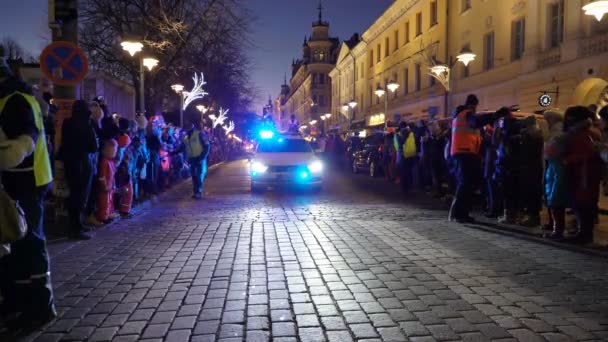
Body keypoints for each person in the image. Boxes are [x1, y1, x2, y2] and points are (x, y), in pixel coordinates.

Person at [0, 55, 56, 329]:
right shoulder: (13, 98)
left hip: (26, 181)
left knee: (30, 243)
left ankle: (40, 306)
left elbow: (26, 140)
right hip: (21, 180)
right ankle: (20, 302)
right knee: (18, 245)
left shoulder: (15, 101)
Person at [60, 100, 99, 240]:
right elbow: (93, 146)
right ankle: (76, 228)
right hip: (82, 162)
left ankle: (76, 224)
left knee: (73, 194)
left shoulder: (67, 123)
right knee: (81, 195)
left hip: (70, 162)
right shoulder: (86, 124)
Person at [563, 106, 602, 244]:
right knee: (584, 203)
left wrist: (568, 160)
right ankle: (583, 231)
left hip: (583, 174)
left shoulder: (582, 133)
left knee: (583, 203)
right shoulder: (589, 132)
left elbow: (585, 153)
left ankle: (585, 233)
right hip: (586, 173)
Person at [542, 110, 568, 240]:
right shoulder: (556, 132)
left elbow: (550, 151)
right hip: (554, 167)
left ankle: (557, 230)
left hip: (557, 167)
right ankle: (555, 226)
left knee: (555, 197)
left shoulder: (557, 134)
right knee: (552, 197)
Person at [183, 120, 211, 199]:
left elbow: (207, 146)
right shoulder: (186, 137)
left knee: (199, 175)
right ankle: (195, 191)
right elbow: (183, 147)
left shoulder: (199, 134)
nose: (186, 129)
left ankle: (198, 191)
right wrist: (174, 152)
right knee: (194, 176)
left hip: (200, 158)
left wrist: (202, 157)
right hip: (192, 159)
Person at [96, 139, 118, 223]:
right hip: (105, 187)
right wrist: (104, 185)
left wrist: (113, 185)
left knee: (109, 201)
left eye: (114, 151)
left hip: (110, 186)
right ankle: (103, 216)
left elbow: (113, 174)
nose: (113, 153)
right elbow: (102, 175)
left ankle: (108, 214)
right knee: (104, 202)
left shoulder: (111, 161)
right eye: (112, 151)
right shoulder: (105, 162)